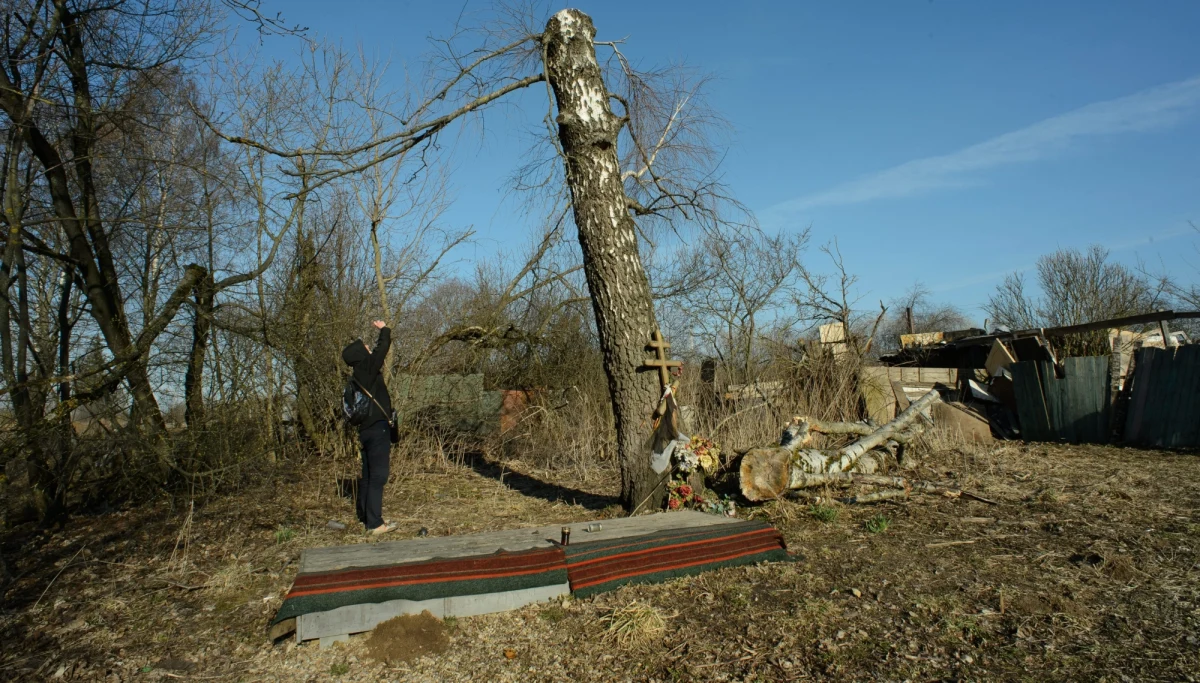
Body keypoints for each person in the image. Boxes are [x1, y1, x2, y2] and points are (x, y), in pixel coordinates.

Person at [341, 320, 396, 536]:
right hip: (377, 430)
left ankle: (366, 516)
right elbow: (382, 348)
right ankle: (375, 524)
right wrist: (384, 330)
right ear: (359, 354)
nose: (368, 348)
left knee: (368, 475)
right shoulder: (366, 368)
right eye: (364, 347)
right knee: (378, 476)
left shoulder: (357, 376)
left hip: (365, 431)